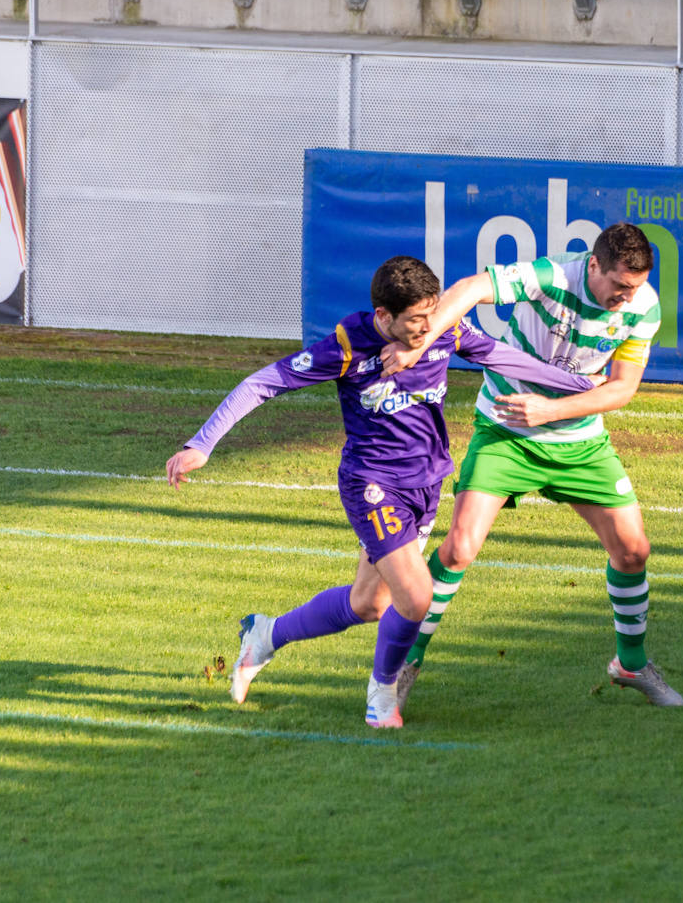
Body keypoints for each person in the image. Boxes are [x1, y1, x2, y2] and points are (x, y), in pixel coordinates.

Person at [165, 256, 597, 729]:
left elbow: (501, 355)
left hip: (426, 485)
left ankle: (266, 635)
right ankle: (381, 696)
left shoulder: (440, 331)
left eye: (432, 314)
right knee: (415, 598)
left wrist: (577, 386)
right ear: (384, 316)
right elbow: (263, 383)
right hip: (372, 484)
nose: (427, 327)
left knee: (369, 604)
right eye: (416, 320)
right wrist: (202, 443)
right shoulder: (348, 347)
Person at [381, 222, 683, 709]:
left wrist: (551, 411)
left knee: (633, 552)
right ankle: (402, 666)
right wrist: (423, 338)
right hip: (506, 431)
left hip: (578, 442)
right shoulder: (552, 276)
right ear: (593, 266)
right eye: (621, 286)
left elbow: (623, 388)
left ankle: (631, 664)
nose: (628, 297)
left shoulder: (643, 307)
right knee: (459, 549)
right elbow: (472, 288)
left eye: (637, 286)